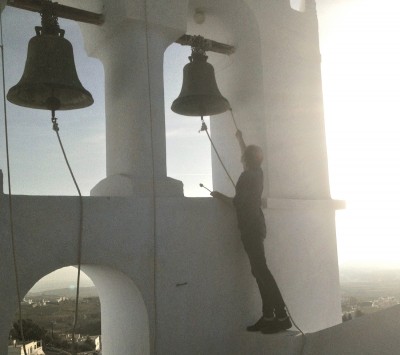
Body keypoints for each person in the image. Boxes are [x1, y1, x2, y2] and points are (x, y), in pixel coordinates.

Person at [210, 130, 292, 334]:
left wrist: (219, 196)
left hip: (250, 228)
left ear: (246, 160)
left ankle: (281, 316)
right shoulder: (258, 172)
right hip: (257, 226)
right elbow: (249, 157)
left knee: (261, 271)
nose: (241, 160)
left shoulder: (247, 176)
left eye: (243, 158)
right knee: (259, 271)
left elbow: (237, 203)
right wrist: (239, 139)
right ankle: (269, 315)